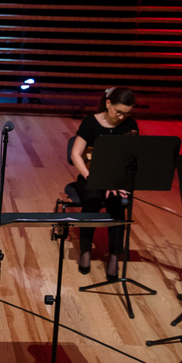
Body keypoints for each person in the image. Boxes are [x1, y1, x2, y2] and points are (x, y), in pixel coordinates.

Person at [69, 86, 139, 280]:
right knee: (92, 200)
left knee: (117, 203)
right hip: (89, 178)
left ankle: (114, 255)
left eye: (127, 113)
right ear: (108, 104)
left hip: (116, 180)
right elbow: (75, 154)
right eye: (119, 112)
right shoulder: (90, 123)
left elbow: (131, 159)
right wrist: (94, 178)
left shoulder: (130, 125)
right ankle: (85, 250)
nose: (122, 117)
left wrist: (119, 182)